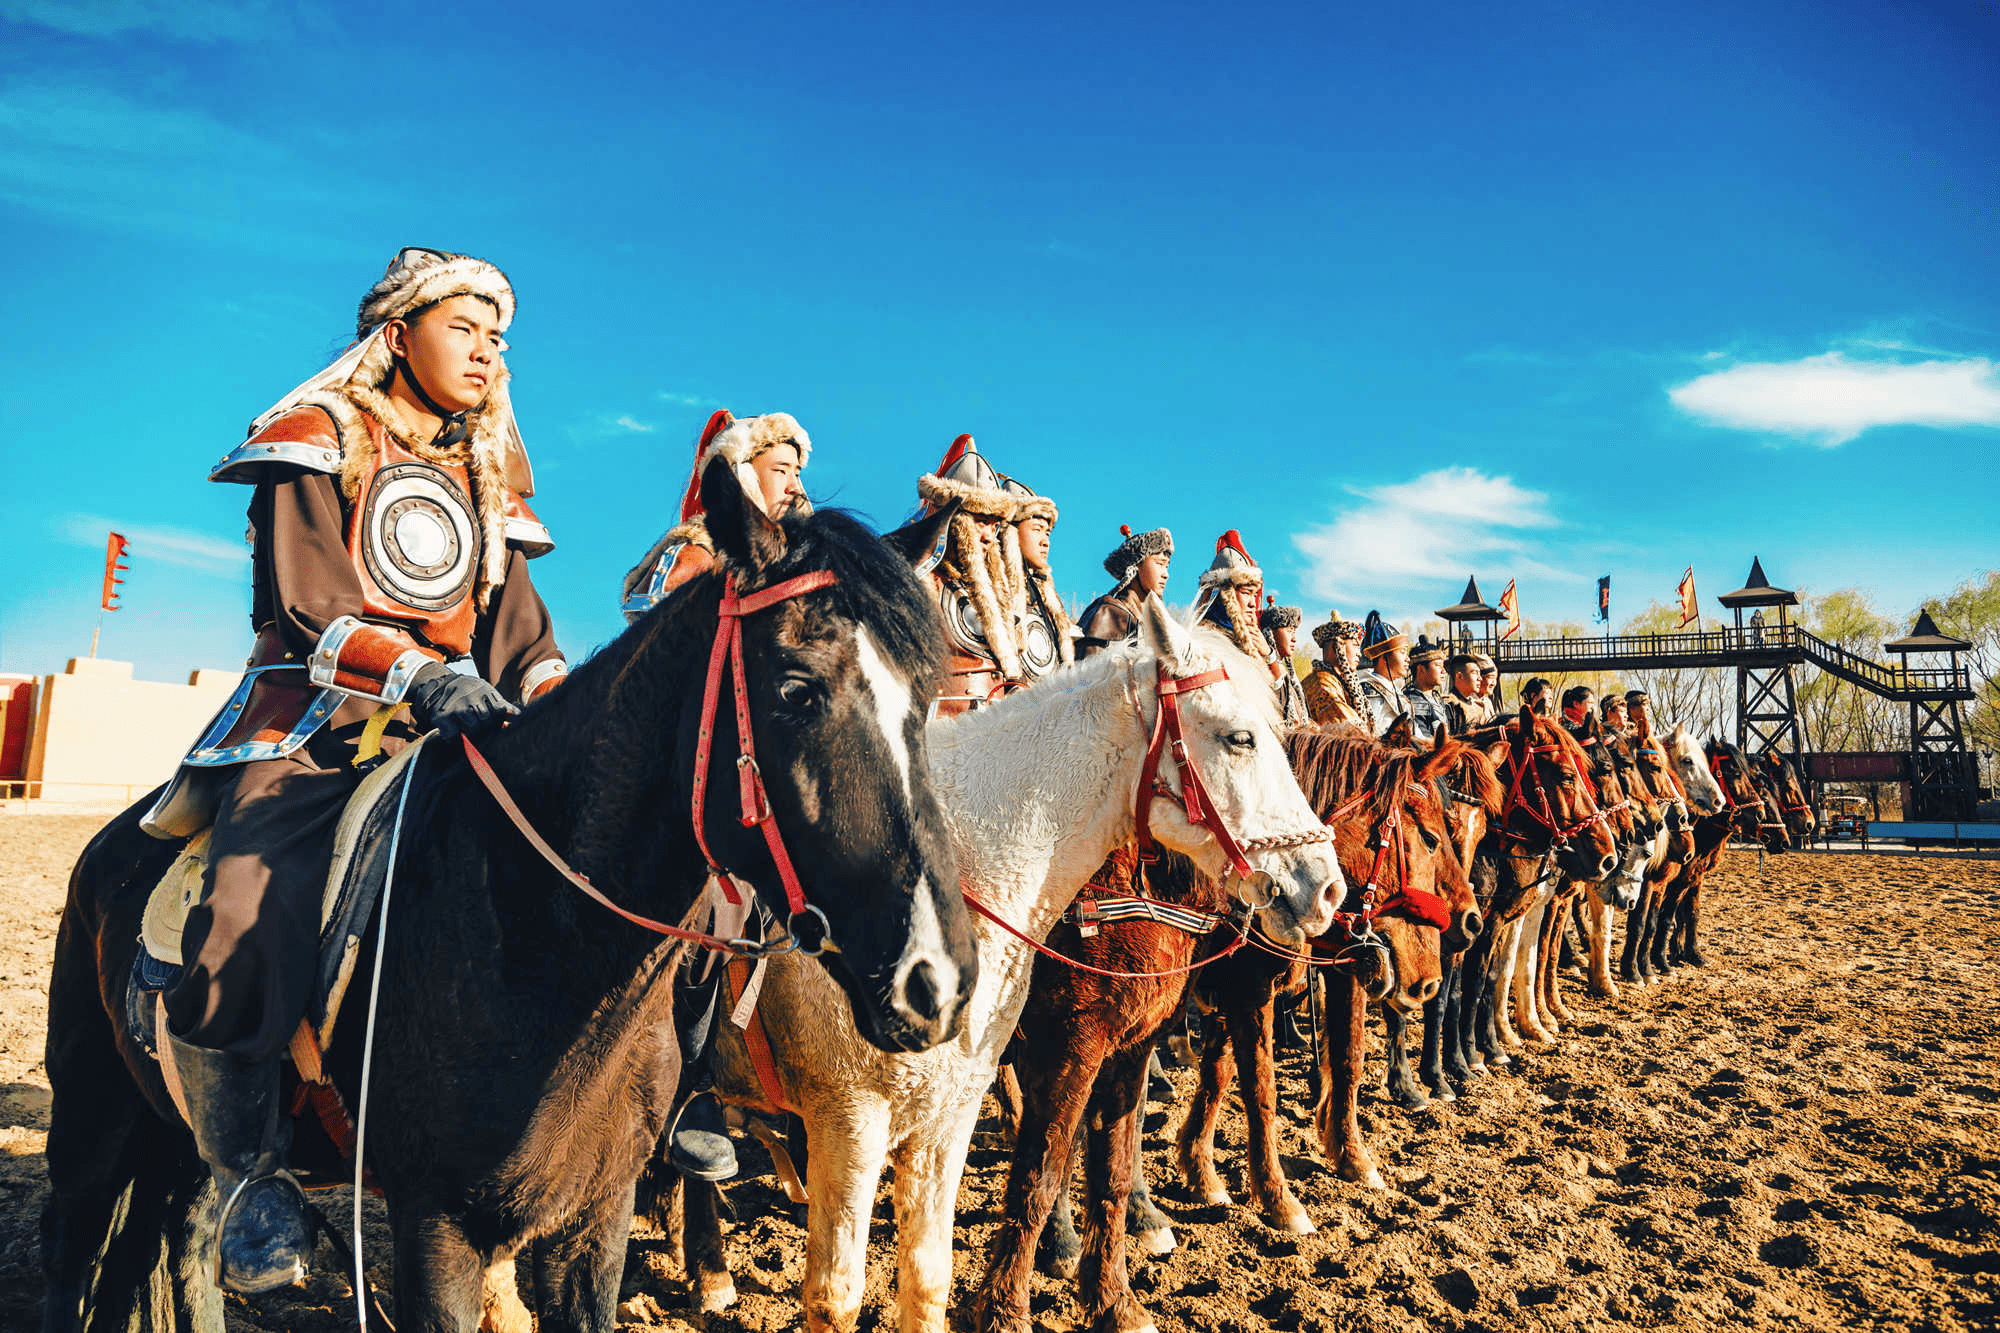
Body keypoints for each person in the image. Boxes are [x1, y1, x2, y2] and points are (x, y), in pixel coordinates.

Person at [142, 249, 567, 1293]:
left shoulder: (487, 468)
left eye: (497, 336)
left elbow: (521, 635)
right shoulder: (315, 437)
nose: (486, 349)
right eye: (463, 326)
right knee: (245, 910)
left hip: (458, 723)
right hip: (310, 721)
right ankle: (246, 1178)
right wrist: (421, 674)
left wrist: (559, 709)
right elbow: (311, 602)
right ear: (397, 334)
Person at [621, 410, 810, 620]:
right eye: (781, 471)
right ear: (744, 477)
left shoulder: (805, 563)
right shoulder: (698, 557)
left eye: (797, 473)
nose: (794, 487)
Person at [916, 435, 1027, 715]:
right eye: (980, 521)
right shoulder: (920, 580)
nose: (989, 536)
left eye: (995, 525)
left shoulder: (994, 593)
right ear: (953, 520)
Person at [1000, 474, 1075, 681]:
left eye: (1048, 533)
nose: (1045, 541)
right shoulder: (995, 592)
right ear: (1011, 533)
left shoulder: (1046, 602)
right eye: (1037, 530)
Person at [1078, 523, 1172, 656]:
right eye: (1160, 564)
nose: (1166, 574)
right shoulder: (1108, 613)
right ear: (1134, 567)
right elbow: (1086, 672)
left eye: (1167, 566)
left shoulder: (1153, 625)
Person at [1304, 608, 1365, 726]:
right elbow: (1351, 732)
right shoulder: (1323, 685)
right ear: (1336, 647)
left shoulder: (1335, 680)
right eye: (1355, 646)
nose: (1359, 653)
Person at [1356, 611, 1411, 735]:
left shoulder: (1397, 691)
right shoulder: (1369, 691)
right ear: (1384, 658)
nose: (1407, 659)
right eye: (1402, 653)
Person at [1260, 598, 1308, 725]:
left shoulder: (1286, 676)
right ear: (1270, 633)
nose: (1294, 639)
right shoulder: (1261, 670)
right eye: (1289, 631)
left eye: (1294, 632)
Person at [1403, 635, 1450, 742]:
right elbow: (1424, 742)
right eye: (1438, 665)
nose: (1444, 671)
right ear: (1421, 669)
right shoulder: (1413, 701)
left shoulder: (1437, 698)